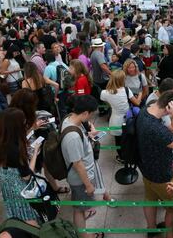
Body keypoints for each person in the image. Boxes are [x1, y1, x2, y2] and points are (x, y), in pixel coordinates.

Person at [137, 90, 173, 238]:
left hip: (146, 170)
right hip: (163, 175)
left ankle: (151, 229)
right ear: (169, 107)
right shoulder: (156, 129)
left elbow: (164, 132)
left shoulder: (144, 112)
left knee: (150, 200)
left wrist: (172, 122)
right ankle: (170, 235)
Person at [60, 95, 104, 238]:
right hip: (80, 180)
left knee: (81, 206)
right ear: (85, 113)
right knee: (79, 209)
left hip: (80, 177)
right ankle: (85, 237)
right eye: (90, 114)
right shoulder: (72, 136)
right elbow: (77, 164)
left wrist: (88, 135)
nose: (90, 118)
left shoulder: (69, 119)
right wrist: (88, 185)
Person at [0, 108, 41, 227]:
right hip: (20, 189)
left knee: (16, 216)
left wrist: (32, 129)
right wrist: (34, 154)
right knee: (29, 219)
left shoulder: (3, 140)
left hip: (7, 187)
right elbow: (27, 176)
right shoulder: (15, 150)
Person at [100, 70, 139, 162]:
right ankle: (129, 156)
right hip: (127, 120)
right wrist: (140, 94)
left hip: (115, 120)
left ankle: (121, 157)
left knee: (118, 141)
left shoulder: (105, 93)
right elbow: (137, 103)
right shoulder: (126, 90)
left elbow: (105, 101)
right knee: (128, 140)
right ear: (122, 80)